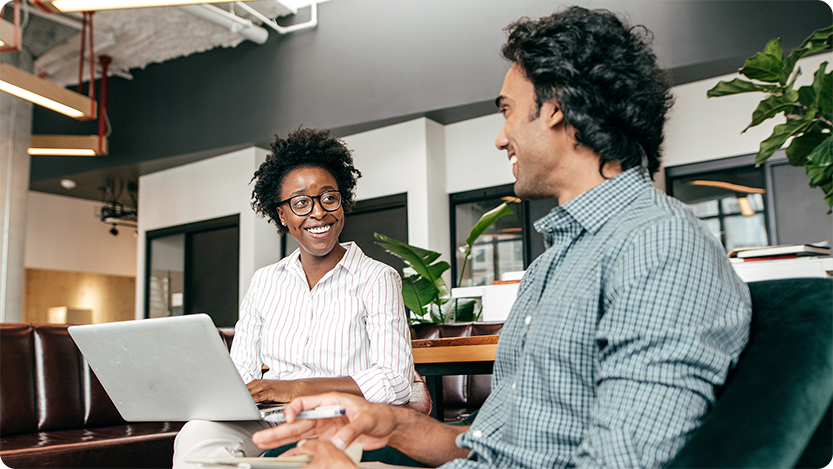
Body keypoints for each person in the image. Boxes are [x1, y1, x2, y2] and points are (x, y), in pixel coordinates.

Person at [250, 7, 752, 469]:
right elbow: (496, 446)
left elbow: (618, 461)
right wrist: (396, 425)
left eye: (507, 110)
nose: (500, 136)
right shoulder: (554, 265)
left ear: (556, 108)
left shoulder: (660, 247)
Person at [172, 127, 414, 468]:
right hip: (269, 417)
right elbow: (242, 371)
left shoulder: (377, 278)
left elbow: (394, 381)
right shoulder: (265, 282)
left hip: (340, 416)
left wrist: (297, 389)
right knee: (197, 436)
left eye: (329, 197)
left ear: (342, 200)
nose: (318, 213)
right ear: (282, 215)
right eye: (301, 203)